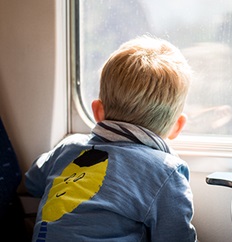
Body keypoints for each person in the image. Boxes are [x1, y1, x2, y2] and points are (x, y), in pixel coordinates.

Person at [25, 35, 198, 242]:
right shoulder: (166, 172)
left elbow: (32, 183)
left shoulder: (67, 147)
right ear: (177, 126)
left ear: (97, 111)